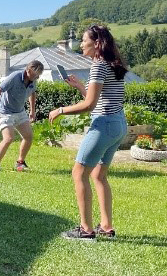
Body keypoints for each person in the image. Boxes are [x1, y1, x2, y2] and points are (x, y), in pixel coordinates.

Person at [48, 25, 128, 240]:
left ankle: (86, 229)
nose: (81, 44)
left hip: (103, 125)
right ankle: (106, 227)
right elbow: (100, 99)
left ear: (96, 43)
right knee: (98, 175)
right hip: (118, 124)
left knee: (79, 173)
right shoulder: (112, 63)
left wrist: (60, 110)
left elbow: (90, 105)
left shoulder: (98, 66)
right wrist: (80, 87)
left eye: (84, 40)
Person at [0, 60, 43, 172]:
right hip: (5, 112)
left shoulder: (33, 80)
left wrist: (32, 111)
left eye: (38, 75)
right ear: (28, 70)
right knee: (8, 138)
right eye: (35, 75)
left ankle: (20, 162)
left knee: (28, 136)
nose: (37, 78)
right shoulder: (15, 77)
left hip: (20, 112)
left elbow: (32, 93)